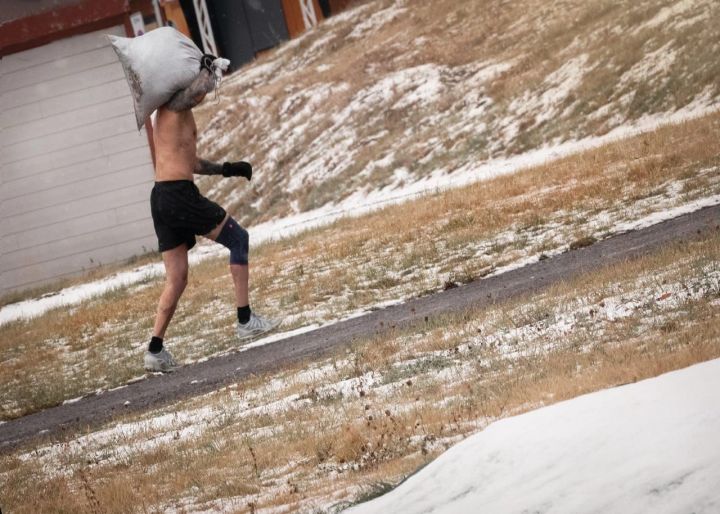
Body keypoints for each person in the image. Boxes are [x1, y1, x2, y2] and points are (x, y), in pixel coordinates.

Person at [144, 60, 278, 372]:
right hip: (177, 195)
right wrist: (209, 67)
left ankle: (155, 349)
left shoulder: (173, 114)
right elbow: (197, 90)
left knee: (176, 279)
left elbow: (190, 161)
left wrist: (227, 169)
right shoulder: (174, 104)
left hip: (162, 197)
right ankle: (246, 321)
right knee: (239, 239)